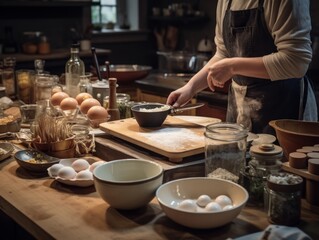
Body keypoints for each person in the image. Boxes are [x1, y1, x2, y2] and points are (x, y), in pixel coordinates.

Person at [166, 0, 318, 134]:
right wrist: (191, 87)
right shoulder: (225, 1)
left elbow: (297, 61)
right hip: (240, 107)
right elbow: (224, 53)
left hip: (283, 108)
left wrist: (233, 67)